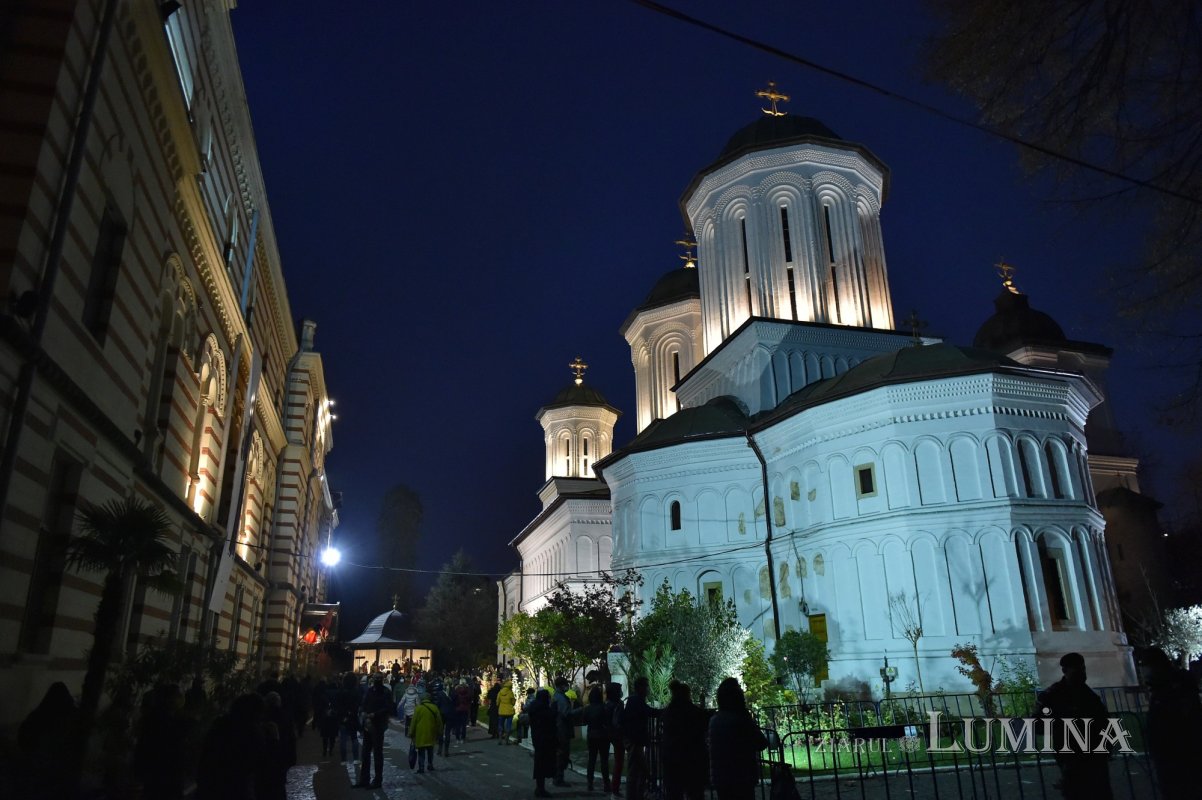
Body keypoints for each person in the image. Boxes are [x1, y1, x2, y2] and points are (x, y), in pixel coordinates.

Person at [1037, 652, 1114, 800]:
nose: (1081, 673)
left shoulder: (1089, 695)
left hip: (1095, 757)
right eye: (1076, 670)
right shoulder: (1053, 695)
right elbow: (1038, 724)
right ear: (1065, 671)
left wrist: (1107, 747)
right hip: (1071, 758)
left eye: (1082, 669)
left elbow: (1104, 722)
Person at [1142, 647, 1202, 800]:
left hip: (1180, 755)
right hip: (1168, 756)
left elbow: (1184, 717)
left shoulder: (1176, 685)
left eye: (1146, 665)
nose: (1144, 671)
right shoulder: (1160, 686)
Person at [197, 692, 267, 800]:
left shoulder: (220, 725)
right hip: (238, 786)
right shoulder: (251, 732)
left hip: (212, 784)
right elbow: (260, 762)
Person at [708, 677, 767, 800]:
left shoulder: (715, 720)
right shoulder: (741, 718)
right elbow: (761, 742)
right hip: (741, 776)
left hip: (721, 776)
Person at [17, 682, 80, 799]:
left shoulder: (38, 716)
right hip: (56, 770)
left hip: (40, 768)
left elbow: (23, 739)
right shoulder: (70, 718)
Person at [661, 681, 708, 800]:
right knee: (695, 792)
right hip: (693, 758)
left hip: (672, 757)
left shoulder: (668, 712)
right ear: (688, 694)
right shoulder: (695, 712)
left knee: (674, 793)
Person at [623, 676, 658, 800]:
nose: (648, 689)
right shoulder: (636, 701)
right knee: (635, 770)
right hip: (635, 740)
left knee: (639, 769)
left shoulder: (635, 700)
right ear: (640, 687)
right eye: (646, 686)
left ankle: (637, 795)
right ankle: (633, 796)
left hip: (635, 740)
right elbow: (649, 712)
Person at [356, 673, 392, 789]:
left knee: (377, 753)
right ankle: (364, 779)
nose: (377, 680)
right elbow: (364, 703)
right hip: (369, 723)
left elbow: (388, 707)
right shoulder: (371, 690)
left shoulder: (385, 692)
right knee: (366, 753)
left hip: (378, 724)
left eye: (378, 679)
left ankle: (377, 780)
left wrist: (374, 714)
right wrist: (364, 712)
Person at [582, 685, 612, 792]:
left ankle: (590, 783)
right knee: (604, 760)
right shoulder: (604, 707)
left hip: (591, 735)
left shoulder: (587, 708)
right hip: (603, 736)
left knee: (592, 759)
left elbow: (584, 721)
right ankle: (606, 784)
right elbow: (608, 721)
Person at [529, 689, 558, 798]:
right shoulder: (543, 709)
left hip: (537, 738)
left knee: (539, 764)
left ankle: (539, 787)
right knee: (543, 764)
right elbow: (551, 718)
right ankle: (540, 789)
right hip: (545, 739)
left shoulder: (534, 707)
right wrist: (554, 706)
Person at [408, 692, 444, 773]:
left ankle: (421, 767)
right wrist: (440, 731)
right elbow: (439, 721)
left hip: (420, 734)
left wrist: (411, 732)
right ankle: (430, 765)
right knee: (430, 750)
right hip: (431, 733)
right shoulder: (434, 708)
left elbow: (413, 722)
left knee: (421, 751)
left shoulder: (418, 709)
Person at [552, 676, 578, 786]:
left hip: (559, 728)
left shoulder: (556, 696)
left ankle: (558, 776)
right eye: (566, 685)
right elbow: (566, 713)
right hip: (562, 729)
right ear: (562, 686)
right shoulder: (561, 698)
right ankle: (559, 778)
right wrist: (580, 711)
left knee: (559, 753)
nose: (567, 686)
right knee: (562, 753)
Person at [334, 673, 361, 763]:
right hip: (353, 716)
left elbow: (337, 705)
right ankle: (356, 758)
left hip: (342, 716)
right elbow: (358, 704)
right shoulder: (356, 692)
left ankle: (343, 759)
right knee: (354, 737)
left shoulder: (340, 692)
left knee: (343, 739)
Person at [605, 682, 625, 798]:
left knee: (608, 761)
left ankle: (611, 786)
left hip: (608, 734)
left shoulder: (607, 704)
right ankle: (615, 789)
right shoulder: (618, 704)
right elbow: (617, 722)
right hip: (617, 736)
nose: (621, 692)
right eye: (620, 690)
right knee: (619, 762)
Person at [431, 680, 456, 756]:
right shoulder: (453, 693)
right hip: (450, 714)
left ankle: (440, 749)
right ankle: (446, 751)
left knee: (440, 731)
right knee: (448, 732)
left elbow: (438, 704)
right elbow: (455, 703)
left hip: (442, 713)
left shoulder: (440, 693)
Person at [497, 679, 517, 744]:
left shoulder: (500, 692)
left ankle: (500, 739)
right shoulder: (510, 693)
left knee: (500, 725)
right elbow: (513, 702)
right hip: (509, 711)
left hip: (501, 710)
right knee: (508, 726)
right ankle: (507, 740)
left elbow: (497, 702)